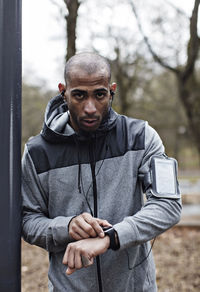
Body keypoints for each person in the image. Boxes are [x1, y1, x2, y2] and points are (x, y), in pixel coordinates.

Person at [22, 52, 182, 292]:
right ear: (62, 91)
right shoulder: (37, 152)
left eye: (99, 95)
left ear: (112, 90)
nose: (90, 108)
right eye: (79, 95)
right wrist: (66, 227)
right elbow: (27, 220)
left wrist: (111, 237)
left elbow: (168, 205)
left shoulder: (141, 136)